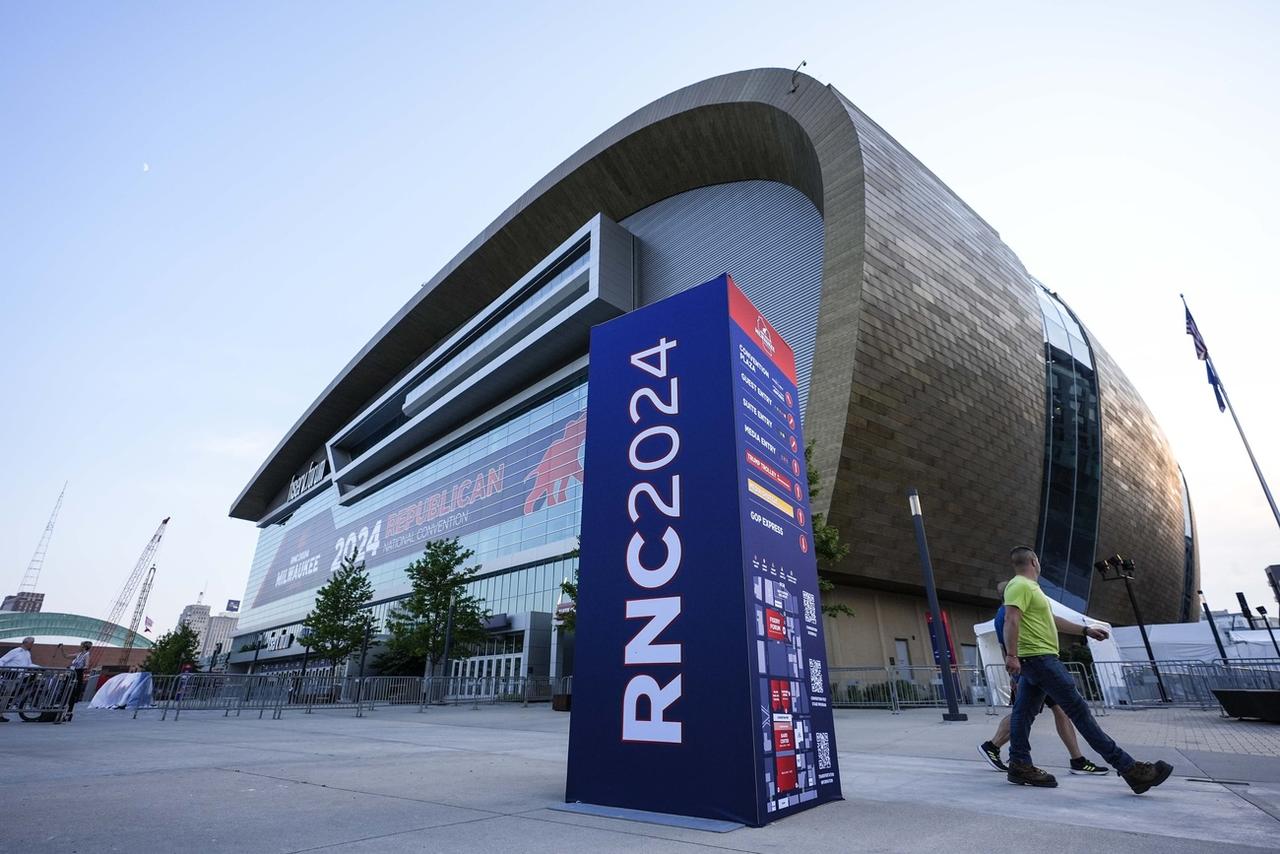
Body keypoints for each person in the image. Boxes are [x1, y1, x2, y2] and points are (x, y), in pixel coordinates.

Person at [1003, 546, 1173, 793]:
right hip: (1040, 660)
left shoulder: (1031, 589)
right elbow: (1011, 619)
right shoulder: (1020, 585)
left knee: (1023, 713)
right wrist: (1011, 655)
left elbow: (1052, 621)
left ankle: (1019, 763)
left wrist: (1085, 630)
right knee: (1079, 712)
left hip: (1036, 661)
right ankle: (1130, 769)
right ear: (1034, 561)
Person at [979, 582, 1109, 776]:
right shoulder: (1007, 615)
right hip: (1033, 668)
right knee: (1026, 713)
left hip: (1033, 667)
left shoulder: (1012, 612)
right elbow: (1007, 643)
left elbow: (1049, 621)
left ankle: (1075, 759)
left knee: (1048, 711)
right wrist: (1015, 673)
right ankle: (996, 747)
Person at [0, 637, 39, 722]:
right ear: (26, 643)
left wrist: (40, 668)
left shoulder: (27, 653)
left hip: (20, 676)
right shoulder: (16, 651)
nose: (32, 645)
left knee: (10, 694)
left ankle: (4, 711)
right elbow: (2, 660)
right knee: (7, 694)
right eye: (32, 643)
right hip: (11, 675)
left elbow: (29, 665)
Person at [55, 640, 93, 720]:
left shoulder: (86, 655)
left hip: (77, 674)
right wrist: (62, 649)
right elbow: (66, 656)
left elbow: (86, 665)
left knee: (72, 693)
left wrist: (78, 667)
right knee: (66, 691)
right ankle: (63, 710)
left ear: (84, 647)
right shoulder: (78, 654)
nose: (79, 646)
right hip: (71, 674)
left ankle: (69, 712)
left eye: (81, 645)